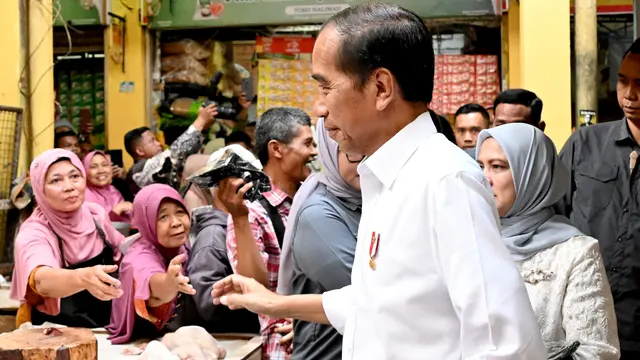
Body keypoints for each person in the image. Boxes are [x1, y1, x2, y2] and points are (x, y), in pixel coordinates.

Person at [211, 3, 546, 360]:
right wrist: (274, 303)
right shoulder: (384, 178)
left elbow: (505, 344)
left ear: (381, 88)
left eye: (326, 88)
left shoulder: (445, 180)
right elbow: (376, 303)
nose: (319, 108)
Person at [477, 123, 620, 359]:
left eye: (497, 167)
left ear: (533, 174)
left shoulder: (575, 253)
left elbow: (596, 351)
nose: (484, 179)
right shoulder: (472, 238)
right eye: (480, 166)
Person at [557, 38, 640, 360]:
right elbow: (553, 220)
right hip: (583, 323)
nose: (629, 95)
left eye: (639, 84)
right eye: (623, 81)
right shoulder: (584, 143)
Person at [218, 106, 317, 360]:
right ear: (276, 149)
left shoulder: (315, 198)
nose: (314, 152)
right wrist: (240, 220)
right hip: (285, 340)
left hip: (325, 327)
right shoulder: (252, 210)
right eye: (307, 143)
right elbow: (254, 286)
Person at [10, 149, 125, 328]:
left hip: (104, 328)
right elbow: (41, 279)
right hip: (52, 332)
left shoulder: (96, 215)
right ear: (40, 189)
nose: (69, 186)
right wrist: (82, 278)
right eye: (56, 180)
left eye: (75, 176)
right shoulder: (34, 232)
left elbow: (121, 250)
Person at [277, 117, 362, 360]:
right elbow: (366, 292)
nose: (365, 165)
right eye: (353, 155)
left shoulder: (366, 200)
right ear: (330, 152)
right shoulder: (318, 214)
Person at [171, 146, 260, 334]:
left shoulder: (239, 225)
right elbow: (208, 304)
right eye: (247, 182)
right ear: (224, 188)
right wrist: (258, 311)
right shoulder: (212, 237)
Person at [107, 184, 195, 344]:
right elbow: (153, 284)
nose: (176, 222)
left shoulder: (179, 244)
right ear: (146, 221)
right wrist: (170, 283)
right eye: (163, 217)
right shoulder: (138, 257)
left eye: (180, 212)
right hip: (142, 342)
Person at [124, 104, 217, 196]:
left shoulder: (161, 166)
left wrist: (204, 128)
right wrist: (201, 120)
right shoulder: (137, 172)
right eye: (152, 141)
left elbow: (186, 154)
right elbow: (173, 155)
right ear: (140, 151)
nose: (159, 143)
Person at [83, 151, 133, 223]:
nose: (101, 170)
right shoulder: (83, 196)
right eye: (93, 167)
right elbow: (93, 227)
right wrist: (116, 211)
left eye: (105, 165)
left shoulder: (113, 191)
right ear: (85, 171)